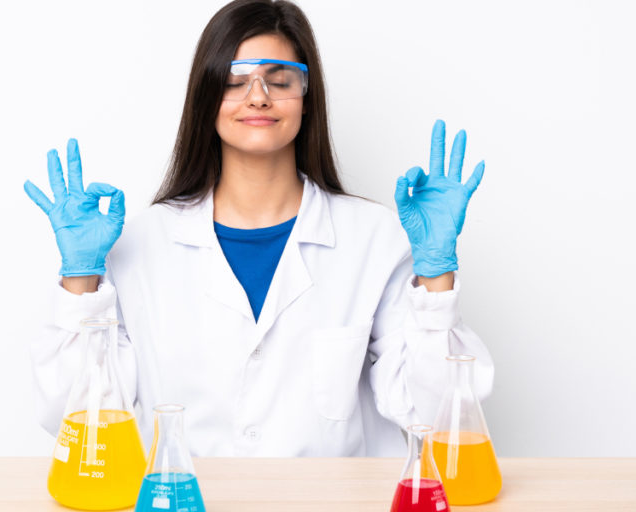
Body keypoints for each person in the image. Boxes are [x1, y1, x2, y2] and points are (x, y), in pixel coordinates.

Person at [24, 0, 492, 457]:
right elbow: (77, 421)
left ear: (307, 100)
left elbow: (439, 415)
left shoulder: (374, 239)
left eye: (279, 79)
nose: (258, 96)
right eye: (234, 80)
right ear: (206, 98)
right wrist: (80, 279)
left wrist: (436, 277)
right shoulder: (141, 244)